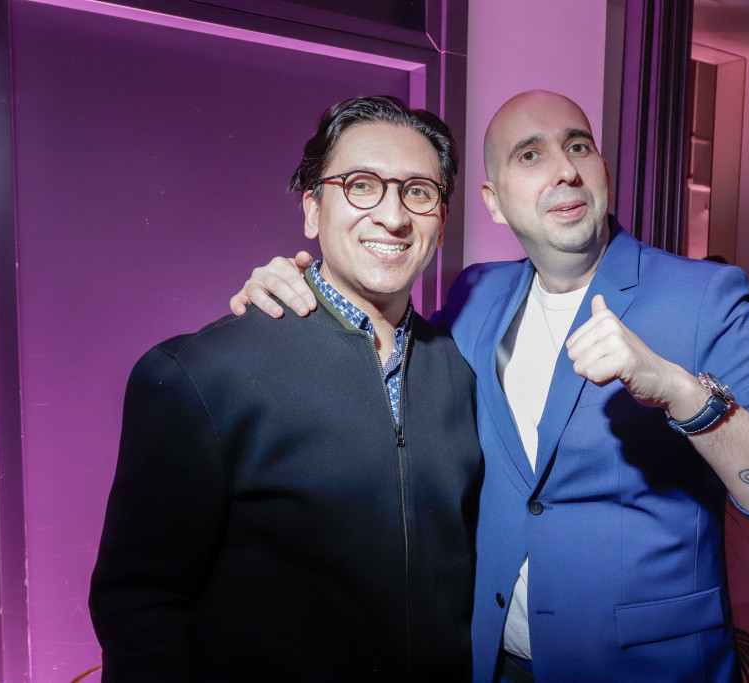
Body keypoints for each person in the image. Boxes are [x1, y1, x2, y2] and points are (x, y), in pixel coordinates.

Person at [232, 90, 749, 682]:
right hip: (494, 664)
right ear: (494, 201)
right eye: (529, 155)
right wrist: (301, 291)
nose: (565, 170)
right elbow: (387, 351)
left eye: (578, 146)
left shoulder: (704, 298)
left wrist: (683, 395)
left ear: (603, 171)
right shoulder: (476, 294)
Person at [89, 96, 483, 682]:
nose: (393, 216)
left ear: (441, 221)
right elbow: (139, 604)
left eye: (419, 192)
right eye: (361, 185)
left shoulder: (460, 371)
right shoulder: (203, 374)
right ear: (312, 211)